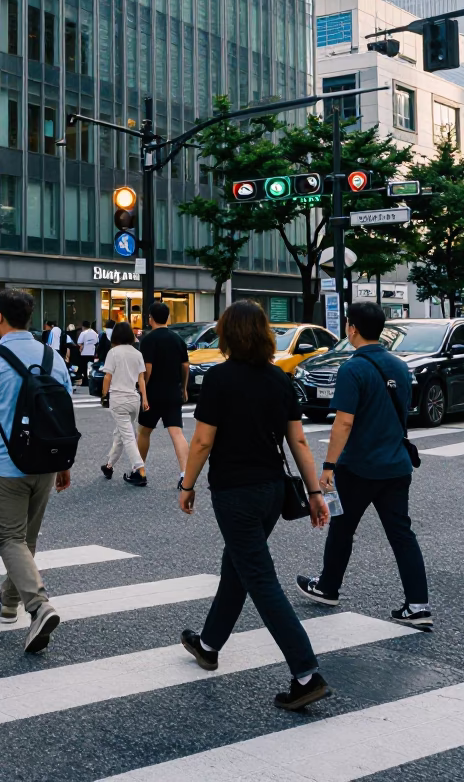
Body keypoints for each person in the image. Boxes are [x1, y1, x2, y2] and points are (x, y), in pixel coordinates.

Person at [178, 300, 331, 711]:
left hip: (234, 492)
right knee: (239, 566)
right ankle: (209, 644)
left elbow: (203, 441)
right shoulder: (279, 380)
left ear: (227, 334)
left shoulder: (219, 379)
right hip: (271, 493)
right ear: (264, 334)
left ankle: (306, 673)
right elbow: (298, 441)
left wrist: (186, 483)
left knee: (259, 577)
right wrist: (315, 494)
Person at [297, 301, 432, 630]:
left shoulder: (352, 369)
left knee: (343, 528)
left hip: (358, 466)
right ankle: (418, 605)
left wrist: (328, 466)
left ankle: (328, 587)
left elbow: (343, 422)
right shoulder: (399, 366)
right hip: (396, 464)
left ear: (352, 329)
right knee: (402, 534)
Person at [0, 289, 72, 653]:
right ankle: (8, 604)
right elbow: (65, 413)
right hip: (46, 461)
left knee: (10, 539)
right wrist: (63, 463)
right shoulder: (52, 356)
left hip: (7, 466)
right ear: (30, 318)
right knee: (26, 541)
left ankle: (38, 606)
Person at [137, 301, 190, 481]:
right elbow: (185, 366)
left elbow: (148, 368)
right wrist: (183, 388)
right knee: (177, 432)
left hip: (153, 393)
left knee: (144, 431)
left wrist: (144, 391)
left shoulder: (148, 339)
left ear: (150, 318)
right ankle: (184, 474)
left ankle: (140, 471)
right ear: (168, 317)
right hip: (173, 392)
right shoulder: (178, 339)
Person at [100, 322, 149, 484]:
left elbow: (108, 377)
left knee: (127, 436)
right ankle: (109, 465)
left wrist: (104, 395)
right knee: (121, 434)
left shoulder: (113, 353)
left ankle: (139, 469)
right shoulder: (137, 353)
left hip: (119, 399)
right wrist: (145, 399)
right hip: (134, 399)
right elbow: (141, 379)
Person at [75, 320, 98, 385]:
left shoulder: (83, 333)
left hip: (84, 353)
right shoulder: (94, 333)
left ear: (83, 326)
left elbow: (79, 342)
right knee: (91, 367)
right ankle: (91, 380)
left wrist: (82, 345)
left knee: (84, 368)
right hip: (92, 352)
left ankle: (85, 381)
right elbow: (97, 341)